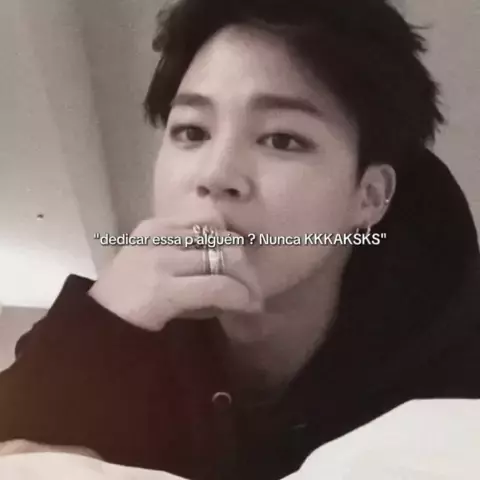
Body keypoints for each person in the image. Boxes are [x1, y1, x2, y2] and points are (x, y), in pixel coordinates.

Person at [0, 0, 479, 479]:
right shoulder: (118, 323)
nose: (215, 175)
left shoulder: (453, 374)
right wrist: (102, 323)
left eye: (282, 140)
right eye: (192, 132)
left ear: (370, 196)